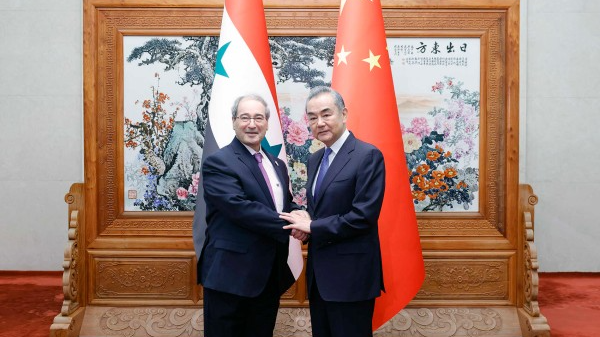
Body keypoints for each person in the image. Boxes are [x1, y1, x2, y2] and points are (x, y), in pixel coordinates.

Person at [196, 94, 307, 337]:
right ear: (234, 121)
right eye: (244, 117)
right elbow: (239, 208)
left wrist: (302, 216)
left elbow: (282, 204)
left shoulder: (277, 164)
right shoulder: (219, 162)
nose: (252, 124)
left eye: (258, 118)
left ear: (267, 123)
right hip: (230, 276)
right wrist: (292, 224)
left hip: (268, 275)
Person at [280, 86, 386, 337]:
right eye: (313, 117)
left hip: (351, 277)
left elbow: (363, 216)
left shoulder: (367, 155)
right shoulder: (315, 158)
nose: (320, 123)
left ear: (344, 113)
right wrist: (306, 222)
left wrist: (313, 227)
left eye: (326, 114)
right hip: (320, 277)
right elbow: (323, 210)